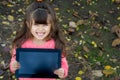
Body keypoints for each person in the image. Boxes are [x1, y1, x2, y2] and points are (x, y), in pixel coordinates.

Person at [9, 0, 69, 80]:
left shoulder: (55, 44)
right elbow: (15, 60)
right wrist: (13, 66)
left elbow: (63, 63)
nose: (40, 29)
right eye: (36, 24)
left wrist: (62, 71)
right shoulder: (21, 43)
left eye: (45, 25)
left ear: (52, 25)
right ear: (28, 24)